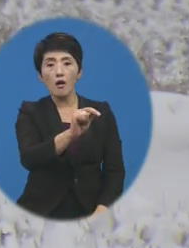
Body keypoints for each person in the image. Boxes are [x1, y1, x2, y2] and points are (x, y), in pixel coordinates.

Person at [15, 32, 125, 220]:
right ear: (40, 75)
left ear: (79, 71)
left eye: (67, 63)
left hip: (91, 212)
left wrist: (102, 209)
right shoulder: (30, 112)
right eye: (50, 64)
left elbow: (115, 171)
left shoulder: (101, 112)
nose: (59, 71)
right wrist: (71, 134)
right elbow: (29, 158)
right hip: (40, 213)